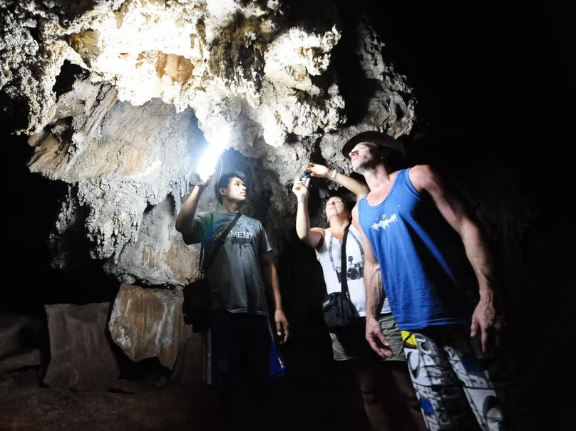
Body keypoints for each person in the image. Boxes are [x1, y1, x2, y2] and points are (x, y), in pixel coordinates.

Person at [344, 130, 513, 430]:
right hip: (411, 328)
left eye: (360, 145)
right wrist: (371, 317)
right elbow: (373, 265)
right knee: (440, 420)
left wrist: (488, 295)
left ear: (384, 151)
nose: (351, 151)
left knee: (494, 414)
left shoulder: (419, 177)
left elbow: (467, 226)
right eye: (349, 151)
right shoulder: (360, 212)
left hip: (460, 316)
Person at [293, 163, 426, 431]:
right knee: (368, 390)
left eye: (337, 200)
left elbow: (363, 192)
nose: (331, 203)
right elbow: (303, 233)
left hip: (382, 314)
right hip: (347, 322)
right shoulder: (322, 237)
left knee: (407, 388)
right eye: (328, 203)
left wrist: (330, 174)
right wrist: (302, 198)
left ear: (347, 208)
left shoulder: (360, 225)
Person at [175, 169, 289, 424]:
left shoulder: (255, 226)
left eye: (244, 184)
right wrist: (199, 187)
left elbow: (268, 266)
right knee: (227, 382)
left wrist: (278, 308)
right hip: (222, 311)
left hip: (256, 312)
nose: (244, 187)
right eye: (237, 183)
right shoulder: (209, 219)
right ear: (223, 191)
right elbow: (182, 225)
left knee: (261, 380)